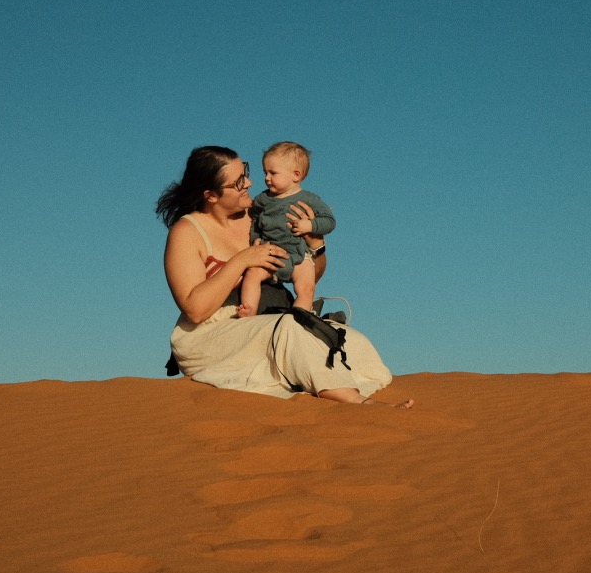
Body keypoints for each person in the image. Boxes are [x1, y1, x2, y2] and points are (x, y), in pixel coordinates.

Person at [156, 145, 413, 407]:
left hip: (272, 319)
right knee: (291, 330)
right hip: (213, 333)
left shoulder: (261, 215)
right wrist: (243, 260)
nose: (250, 182)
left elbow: (309, 274)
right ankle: (357, 402)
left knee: (347, 339)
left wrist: (316, 245)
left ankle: (328, 385)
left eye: (245, 171)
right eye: (238, 182)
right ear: (210, 195)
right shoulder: (187, 232)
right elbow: (195, 310)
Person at [238, 141, 335, 318]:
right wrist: (255, 238)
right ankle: (248, 309)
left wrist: (310, 226)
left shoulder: (309, 199)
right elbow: (255, 220)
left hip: (299, 255)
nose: (267, 178)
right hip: (272, 254)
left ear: (296, 175)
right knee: (253, 274)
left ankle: (297, 318)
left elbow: (329, 221)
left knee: (306, 288)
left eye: (273, 173)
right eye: (265, 172)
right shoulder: (262, 200)